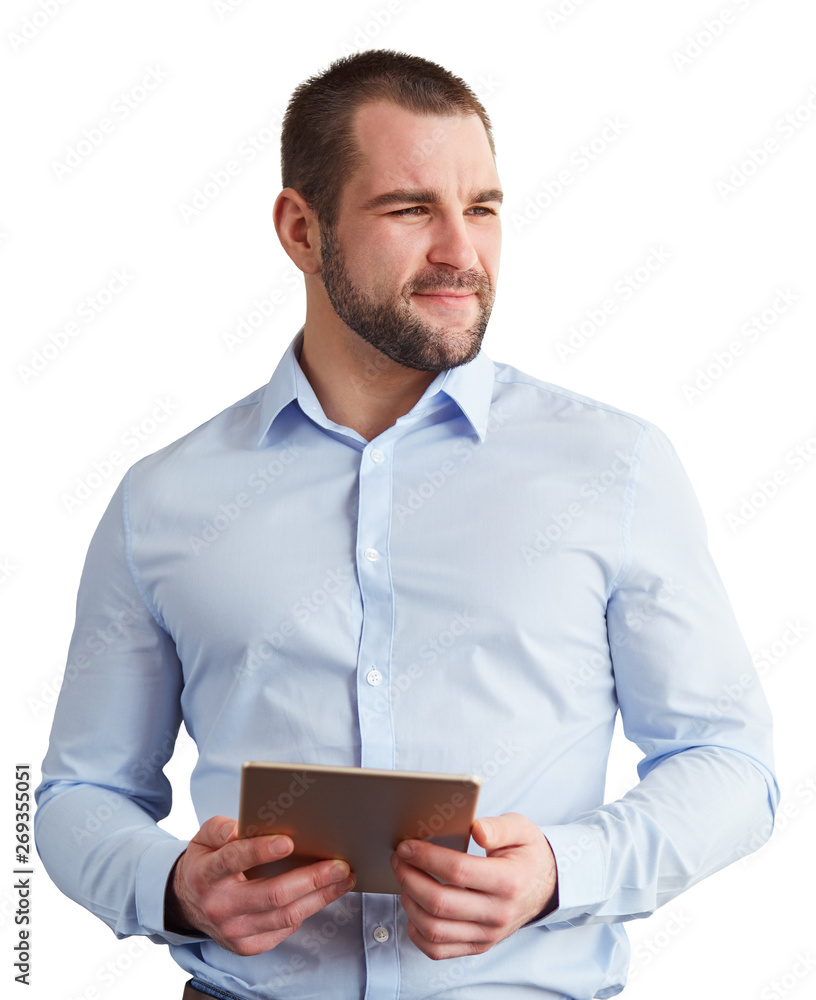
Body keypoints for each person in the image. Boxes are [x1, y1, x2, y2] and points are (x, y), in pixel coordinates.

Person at [35, 49, 778, 1000]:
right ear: (302, 230)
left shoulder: (615, 466)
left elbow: (732, 766)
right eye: (410, 208)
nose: (461, 252)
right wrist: (173, 886)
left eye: (482, 207)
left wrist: (561, 870)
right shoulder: (161, 500)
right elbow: (67, 798)